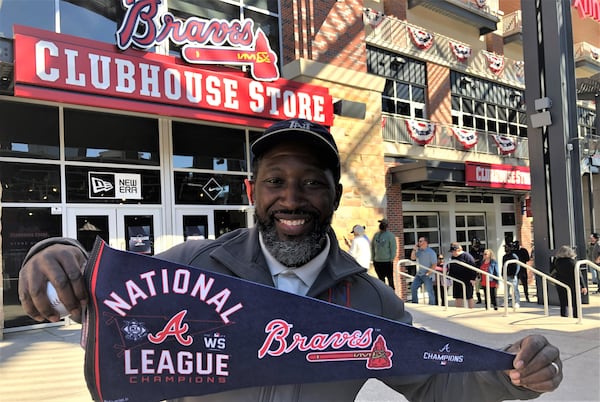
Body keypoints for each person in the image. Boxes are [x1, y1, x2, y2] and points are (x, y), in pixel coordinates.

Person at [18, 118, 562, 401]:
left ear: (336, 196)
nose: (292, 199)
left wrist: (511, 372)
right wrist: (52, 253)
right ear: (252, 191)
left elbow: (433, 384)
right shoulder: (189, 266)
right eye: (276, 182)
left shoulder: (370, 301)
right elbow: (103, 294)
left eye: (311, 184)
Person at [552, 245, 588, 318]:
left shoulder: (557, 261)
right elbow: (579, 274)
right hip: (572, 283)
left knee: (563, 301)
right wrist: (583, 286)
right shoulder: (573, 262)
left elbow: (551, 270)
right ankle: (576, 316)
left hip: (560, 283)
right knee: (575, 301)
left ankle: (564, 315)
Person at [447, 242, 477, 308]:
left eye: (453, 251)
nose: (452, 253)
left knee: (469, 296)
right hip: (457, 280)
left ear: (458, 250)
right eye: (452, 252)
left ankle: (471, 310)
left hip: (467, 280)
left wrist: (473, 278)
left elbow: (473, 267)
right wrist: (449, 278)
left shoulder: (466, 256)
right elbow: (451, 268)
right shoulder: (453, 257)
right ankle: (458, 309)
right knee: (458, 297)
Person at [371, 218, 397, 289]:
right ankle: (384, 296)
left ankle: (392, 297)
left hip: (387, 261)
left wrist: (391, 259)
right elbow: (372, 247)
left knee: (390, 280)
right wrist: (373, 258)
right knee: (381, 281)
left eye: (383, 224)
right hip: (377, 261)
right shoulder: (376, 235)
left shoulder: (390, 236)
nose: (381, 225)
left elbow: (393, 248)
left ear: (386, 225)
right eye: (381, 224)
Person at [409, 236, 437, 305]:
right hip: (419, 274)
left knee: (430, 291)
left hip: (427, 275)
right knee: (413, 287)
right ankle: (415, 303)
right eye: (419, 241)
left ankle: (432, 305)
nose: (419, 243)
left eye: (421, 241)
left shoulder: (431, 252)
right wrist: (414, 249)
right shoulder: (419, 251)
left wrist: (428, 273)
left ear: (426, 243)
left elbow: (434, 265)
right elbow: (412, 258)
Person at [503, 243, 521, 309]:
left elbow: (518, 265)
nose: (505, 249)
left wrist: (515, 274)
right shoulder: (504, 256)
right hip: (506, 275)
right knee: (506, 290)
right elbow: (503, 266)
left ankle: (517, 302)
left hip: (513, 276)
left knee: (515, 289)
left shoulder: (514, 256)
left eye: (507, 247)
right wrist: (503, 274)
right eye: (505, 247)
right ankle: (506, 301)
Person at [469, 238, 484, 304]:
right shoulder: (471, 251)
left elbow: (482, 259)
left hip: (483, 270)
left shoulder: (482, 250)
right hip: (475, 270)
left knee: (485, 285)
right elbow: (472, 260)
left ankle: (488, 298)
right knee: (476, 286)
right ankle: (479, 299)